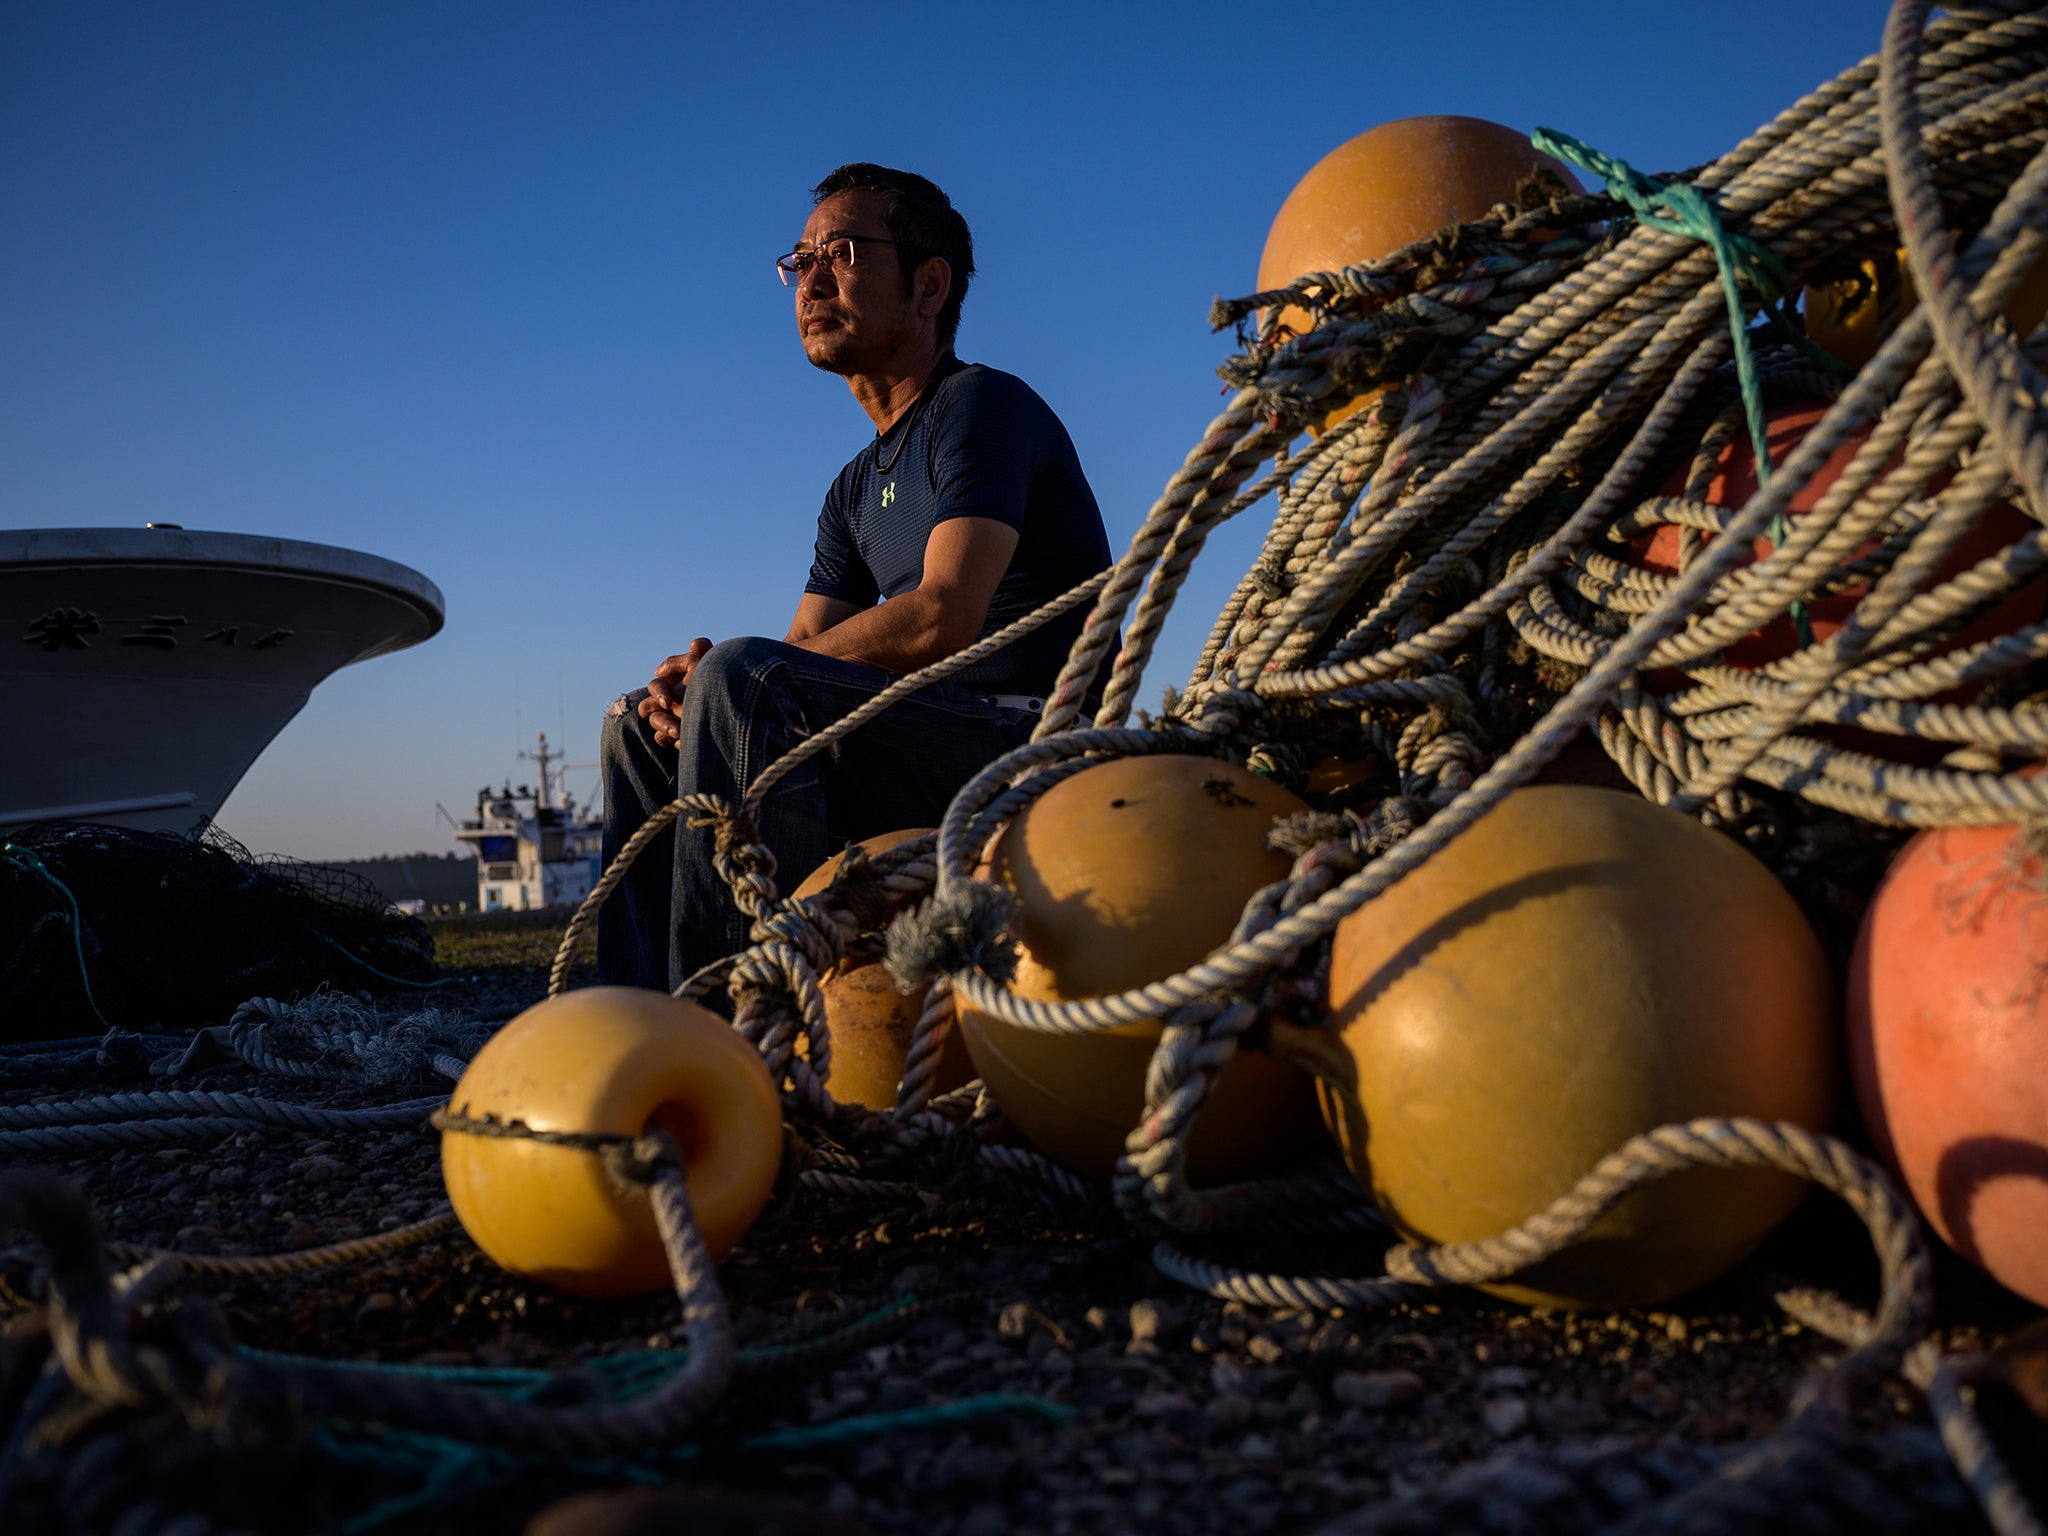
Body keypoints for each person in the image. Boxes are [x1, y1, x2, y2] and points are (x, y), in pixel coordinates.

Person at [598, 163, 1111, 993]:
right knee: (635, 723)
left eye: (840, 251)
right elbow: (803, 650)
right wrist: (694, 693)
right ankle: (631, 1021)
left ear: (929, 285)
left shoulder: (982, 407)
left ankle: (735, 1027)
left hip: (1023, 746)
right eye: (798, 261)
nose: (810, 278)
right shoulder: (851, 485)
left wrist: (735, 671)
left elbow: (942, 615)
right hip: (912, 735)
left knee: (742, 676)